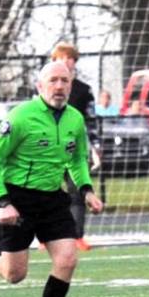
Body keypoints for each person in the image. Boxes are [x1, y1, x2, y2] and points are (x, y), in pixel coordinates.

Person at [0, 61, 104, 297]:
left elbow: (77, 159)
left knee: (67, 260)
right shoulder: (21, 117)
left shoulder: (75, 119)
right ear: (39, 86)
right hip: (19, 200)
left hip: (53, 199)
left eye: (64, 80)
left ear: (71, 85)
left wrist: (86, 190)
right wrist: (3, 202)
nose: (59, 86)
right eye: (53, 80)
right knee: (15, 274)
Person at [50, 42, 99, 252]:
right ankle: (46, 236)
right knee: (46, 192)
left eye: (70, 58)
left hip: (74, 149)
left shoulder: (83, 90)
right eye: (62, 58)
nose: (66, 62)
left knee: (77, 191)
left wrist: (95, 146)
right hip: (48, 149)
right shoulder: (43, 87)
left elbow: (91, 120)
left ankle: (77, 236)